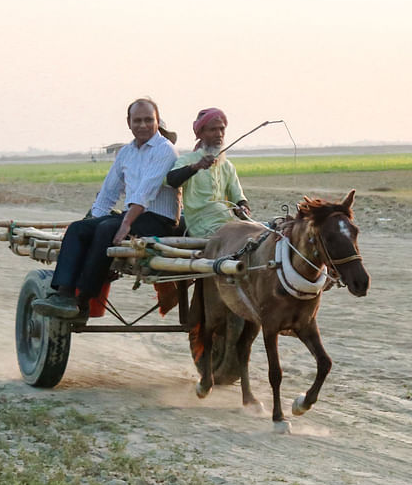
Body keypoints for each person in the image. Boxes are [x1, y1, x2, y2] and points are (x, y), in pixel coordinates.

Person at [32, 97, 181, 319]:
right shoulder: (126, 153)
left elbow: (145, 192)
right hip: (133, 216)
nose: (142, 125)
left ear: (158, 121)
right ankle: (64, 295)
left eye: (148, 120)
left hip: (158, 220)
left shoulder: (164, 150)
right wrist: (90, 219)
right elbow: (108, 193)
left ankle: (84, 299)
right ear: (128, 123)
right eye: (137, 120)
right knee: (78, 229)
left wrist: (126, 224)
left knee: (106, 230)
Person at [165, 107, 250, 237]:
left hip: (227, 223)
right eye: (213, 130)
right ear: (200, 134)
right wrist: (196, 167)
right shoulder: (188, 160)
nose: (219, 134)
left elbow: (238, 197)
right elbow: (171, 180)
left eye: (222, 129)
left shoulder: (227, 166)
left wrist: (243, 209)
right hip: (202, 227)